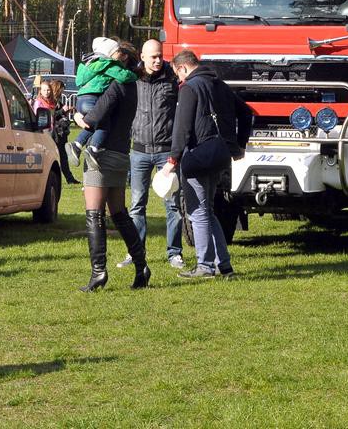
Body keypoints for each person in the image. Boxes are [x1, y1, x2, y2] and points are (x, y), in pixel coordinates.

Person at [160, 50, 252, 279]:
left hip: (199, 156)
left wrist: (173, 159)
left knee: (197, 212)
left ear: (182, 68)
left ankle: (205, 266)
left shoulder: (190, 87)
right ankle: (225, 266)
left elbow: (182, 128)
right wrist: (239, 144)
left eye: (178, 75)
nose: (179, 80)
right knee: (208, 211)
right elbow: (246, 113)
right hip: (220, 154)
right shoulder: (219, 84)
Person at [73, 45, 149, 292]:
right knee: (119, 214)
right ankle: (141, 266)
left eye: (113, 54)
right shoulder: (132, 85)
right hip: (120, 153)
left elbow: (93, 117)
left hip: (101, 155)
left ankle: (98, 272)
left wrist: (76, 118)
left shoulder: (114, 85)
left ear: (122, 58)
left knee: (94, 214)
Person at [117, 39, 184, 270]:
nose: (158, 60)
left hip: (167, 153)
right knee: (136, 205)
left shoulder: (172, 78)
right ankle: (135, 252)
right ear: (143, 57)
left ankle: (174, 253)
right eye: (153, 56)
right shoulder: (132, 78)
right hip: (140, 152)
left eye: (160, 55)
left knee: (173, 205)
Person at [67, 37, 137, 169]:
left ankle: (77, 144)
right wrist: (135, 76)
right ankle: (93, 148)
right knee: (104, 124)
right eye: (117, 51)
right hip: (93, 99)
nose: (120, 54)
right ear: (109, 53)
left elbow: (79, 81)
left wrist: (78, 115)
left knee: (95, 123)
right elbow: (123, 76)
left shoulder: (89, 64)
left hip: (81, 99)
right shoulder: (108, 64)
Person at [48, 80, 80, 185]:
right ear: (58, 88)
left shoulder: (57, 100)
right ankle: (63, 178)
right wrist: (62, 111)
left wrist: (66, 110)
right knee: (58, 156)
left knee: (63, 157)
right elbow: (51, 115)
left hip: (61, 132)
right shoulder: (50, 101)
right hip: (55, 133)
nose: (63, 92)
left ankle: (69, 178)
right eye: (62, 89)